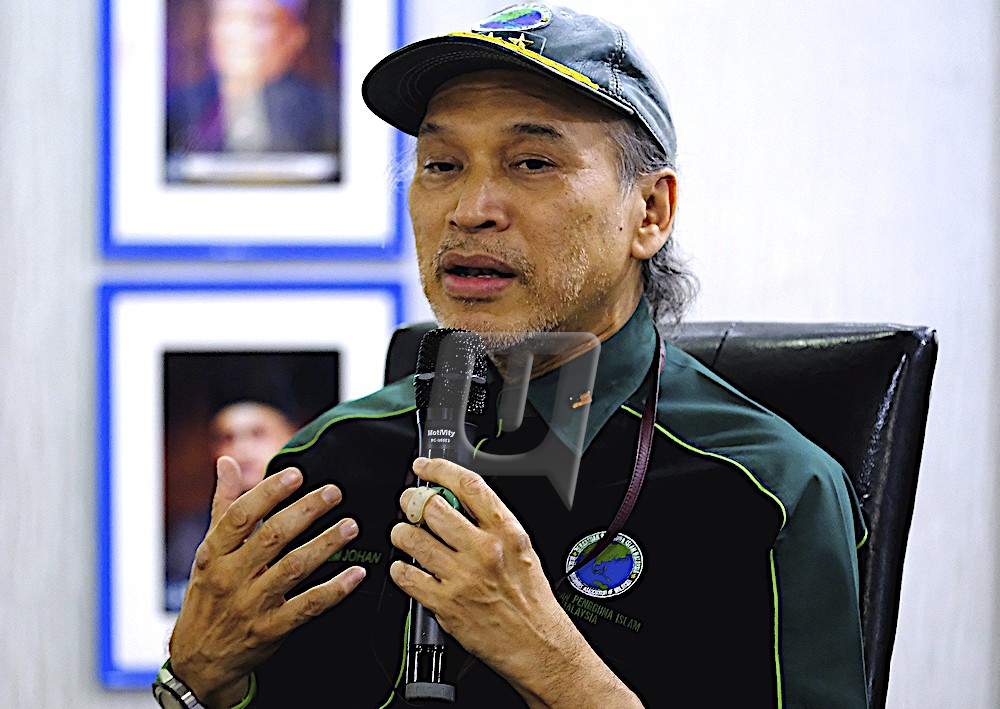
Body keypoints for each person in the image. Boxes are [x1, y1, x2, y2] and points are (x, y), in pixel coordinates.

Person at [157, 5, 869, 708]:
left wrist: (555, 668)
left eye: (532, 163)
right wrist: (197, 680)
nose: (470, 210)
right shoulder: (328, 461)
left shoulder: (765, 491)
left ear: (649, 212)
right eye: (441, 164)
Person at [165, 400, 299, 610]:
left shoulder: (318, 519)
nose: (242, 450)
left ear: (292, 436)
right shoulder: (189, 534)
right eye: (227, 438)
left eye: (258, 434)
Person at [166, 0, 339, 155]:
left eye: (259, 21)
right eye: (227, 18)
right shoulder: (178, 110)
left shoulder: (326, 117)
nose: (239, 34)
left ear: (294, 36)